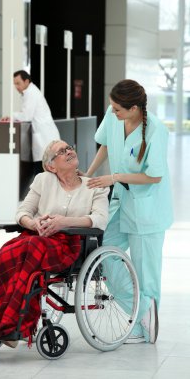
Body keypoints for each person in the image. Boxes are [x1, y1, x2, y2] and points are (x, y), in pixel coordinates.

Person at [0, 140, 109, 348]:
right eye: (62, 151)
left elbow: (100, 219)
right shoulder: (43, 180)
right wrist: (33, 223)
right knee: (11, 248)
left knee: (28, 248)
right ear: (51, 166)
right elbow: (22, 212)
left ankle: (12, 323)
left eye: (69, 148)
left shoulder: (94, 186)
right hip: (36, 237)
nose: (69, 151)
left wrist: (63, 222)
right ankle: (7, 321)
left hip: (68, 244)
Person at [85, 79, 173, 344]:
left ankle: (146, 329)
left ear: (134, 108)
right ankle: (141, 312)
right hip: (121, 204)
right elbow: (106, 145)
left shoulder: (156, 131)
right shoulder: (114, 118)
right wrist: (87, 178)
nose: (113, 113)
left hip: (147, 209)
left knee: (147, 274)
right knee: (103, 255)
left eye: (118, 110)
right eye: (111, 108)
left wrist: (115, 177)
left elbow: (154, 177)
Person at [2, 70, 60, 175]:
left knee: (44, 172)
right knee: (43, 172)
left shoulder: (31, 93)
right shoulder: (29, 92)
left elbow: (26, 116)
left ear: (26, 81)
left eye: (18, 83)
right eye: (14, 84)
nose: (16, 86)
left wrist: (12, 115)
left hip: (44, 137)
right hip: (43, 137)